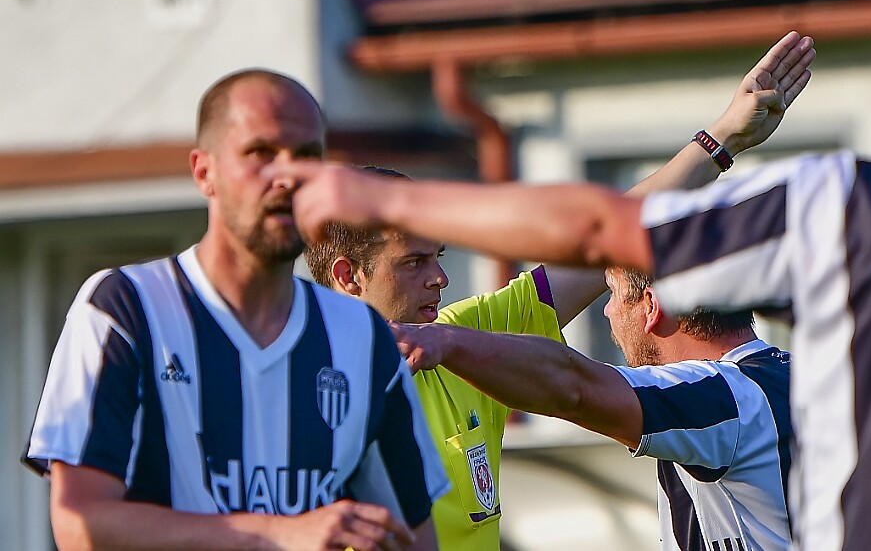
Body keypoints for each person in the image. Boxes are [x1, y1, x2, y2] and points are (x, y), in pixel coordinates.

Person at [298, 31, 814, 550]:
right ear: (348, 276)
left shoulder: (459, 339)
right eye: (413, 263)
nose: (440, 278)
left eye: (439, 257)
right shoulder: (295, 391)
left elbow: (608, 236)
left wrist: (722, 140)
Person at [22, 69, 448, 551]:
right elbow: (79, 526)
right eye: (261, 153)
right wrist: (275, 533)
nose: (288, 176)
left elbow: (413, 539)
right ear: (205, 172)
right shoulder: (124, 309)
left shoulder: (361, 337)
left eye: (307, 155)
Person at [390, 266, 792, 550]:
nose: (607, 311)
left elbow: (573, 388)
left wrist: (447, 342)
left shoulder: (722, 394)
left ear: (651, 307)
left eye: (613, 294)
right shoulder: (797, 373)